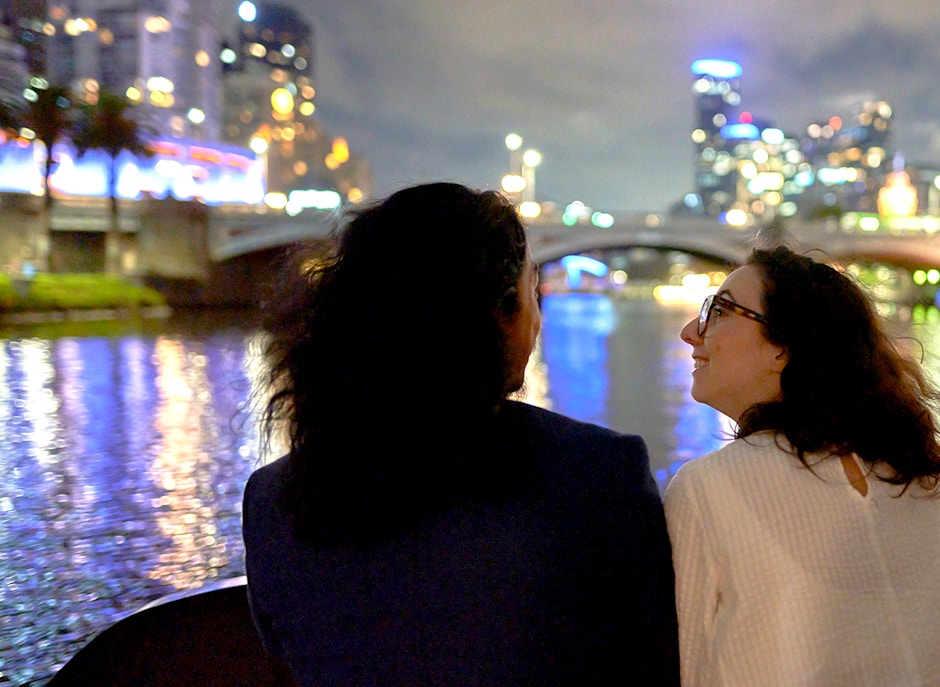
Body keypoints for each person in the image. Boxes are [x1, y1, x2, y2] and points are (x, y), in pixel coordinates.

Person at [242, 182, 679, 686]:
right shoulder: (600, 476)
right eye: (531, 293)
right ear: (498, 314)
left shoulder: (275, 498)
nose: (537, 321)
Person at [665, 245, 940, 686]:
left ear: (784, 347)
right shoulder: (915, 484)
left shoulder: (707, 487)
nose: (692, 331)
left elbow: (687, 664)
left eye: (720, 311)